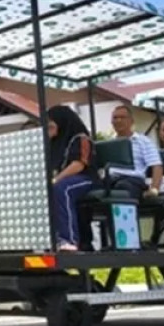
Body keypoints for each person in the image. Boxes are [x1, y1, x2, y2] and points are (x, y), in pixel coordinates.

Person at [47, 105, 96, 252]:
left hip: (85, 178)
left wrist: (56, 179)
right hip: (63, 180)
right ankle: (49, 240)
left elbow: (79, 165)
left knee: (62, 189)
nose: (47, 126)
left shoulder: (81, 138)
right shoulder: (54, 143)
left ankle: (68, 240)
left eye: (50, 122)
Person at [107, 105, 164, 200]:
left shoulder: (144, 141)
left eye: (122, 117)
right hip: (111, 179)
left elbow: (157, 166)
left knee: (122, 187)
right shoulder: (109, 143)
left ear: (131, 121)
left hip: (133, 180)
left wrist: (154, 189)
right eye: (115, 118)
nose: (118, 121)